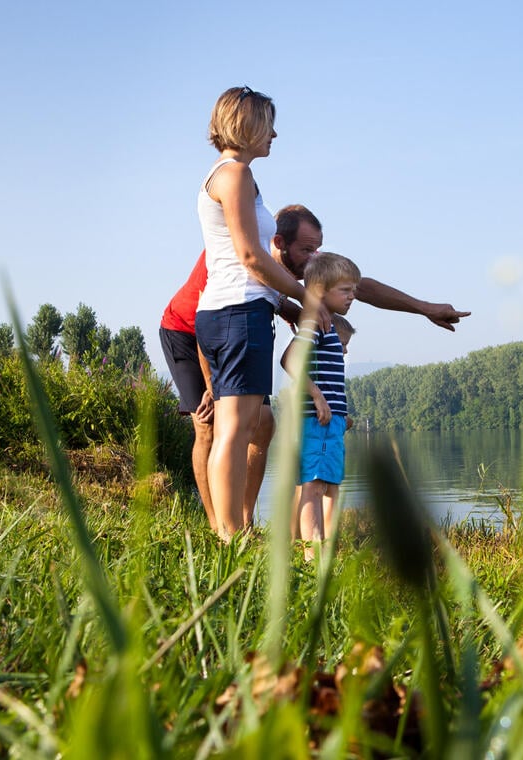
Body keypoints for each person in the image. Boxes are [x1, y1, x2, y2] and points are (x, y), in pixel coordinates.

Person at [162, 199, 470, 534]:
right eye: (307, 249)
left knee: (262, 425)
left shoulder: (303, 261)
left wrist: (424, 308)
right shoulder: (238, 248)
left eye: (318, 249)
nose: (315, 258)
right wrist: (211, 386)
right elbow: (208, 315)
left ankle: (245, 522)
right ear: (279, 243)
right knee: (209, 425)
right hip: (188, 328)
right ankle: (216, 526)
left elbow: (359, 285)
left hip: (243, 330)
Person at [194, 86, 308, 541]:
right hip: (238, 313)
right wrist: (304, 297)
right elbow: (251, 257)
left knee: (235, 428)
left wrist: (286, 303)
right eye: (268, 124)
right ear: (246, 124)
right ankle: (229, 535)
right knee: (236, 432)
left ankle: (232, 530)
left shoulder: (231, 176)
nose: (275, 134)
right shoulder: (234, 174)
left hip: (228, 313)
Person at [281, 253, 360, 554]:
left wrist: (341, 414)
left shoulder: (328, 326)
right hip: (316, 420)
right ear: (320, 292)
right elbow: (290, 360)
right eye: (346, 290)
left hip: (332, 421)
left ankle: (328, 546)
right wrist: (316, 396)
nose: (353, 296)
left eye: (354, 289)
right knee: (313, 485)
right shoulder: (315, 324)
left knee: (331, 487)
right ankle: (311, 551)